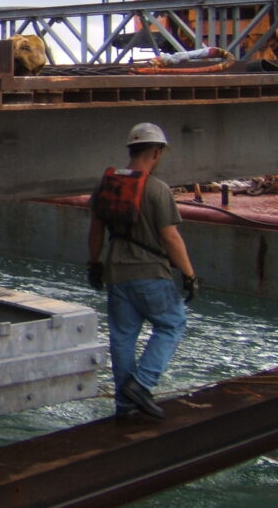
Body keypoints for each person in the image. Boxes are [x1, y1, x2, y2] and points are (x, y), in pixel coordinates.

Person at [87, 122, 198, 419]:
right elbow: (170, 237)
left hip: (116, 273)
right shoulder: (157, 189)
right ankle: (143, 383)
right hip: (150, 273)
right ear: (157, 152)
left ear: (131, 149)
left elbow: (96, 230)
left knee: (123, 337)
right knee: (172, 324)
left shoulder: (106, 184)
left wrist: (95, 264)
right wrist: (189, 275)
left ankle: (125, 405)